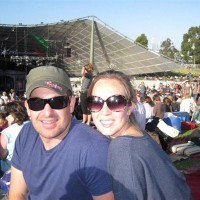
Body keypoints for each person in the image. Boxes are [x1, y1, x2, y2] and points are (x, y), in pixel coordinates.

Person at [9, 66, 114, 200]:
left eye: (57, 102)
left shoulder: (94, 149)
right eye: (36, 103)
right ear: (28, 108)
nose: (47, 113)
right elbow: (18, 193)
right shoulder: (26, 134)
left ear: (71, 104)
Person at [87, 70, 191, 200]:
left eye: (115, 102)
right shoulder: (140, 136)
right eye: (96, 102)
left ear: (130, 107)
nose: (105, 112)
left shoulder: (122, 148)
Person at [0, 101, 29, 174]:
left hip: (10, 170)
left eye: (8, 114)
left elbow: (2, 155)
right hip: (30, 166)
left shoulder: (6, 132)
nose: (6, 118)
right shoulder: (33, 125)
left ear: (15, 115)